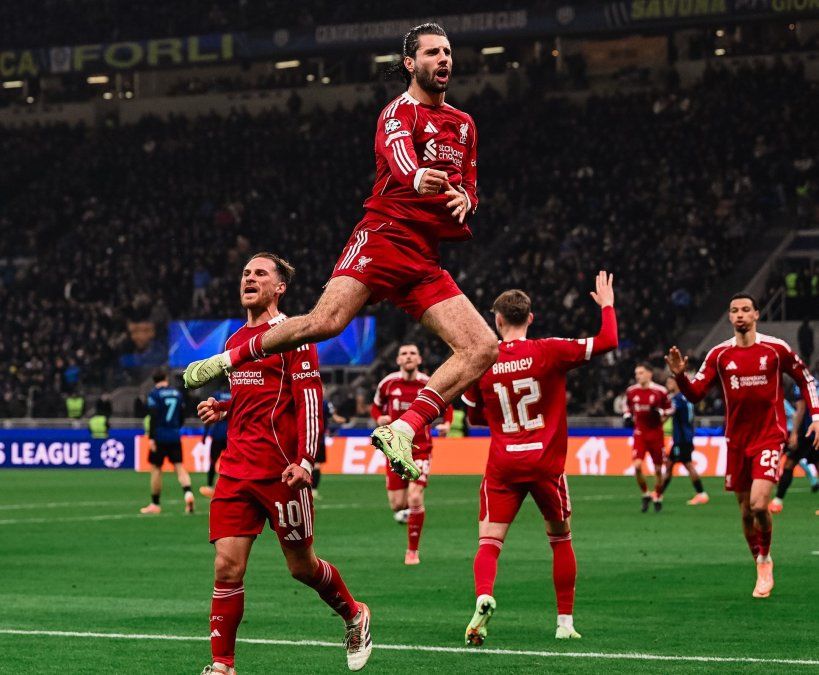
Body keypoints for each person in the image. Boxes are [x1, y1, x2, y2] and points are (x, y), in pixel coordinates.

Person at [183, 22, 497, 483]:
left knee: (482, 347)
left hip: (423, 258)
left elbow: (470, 184)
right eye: (432, 52)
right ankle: (225, 360)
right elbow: (399, 158)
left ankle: (402, 430)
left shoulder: (465, 124)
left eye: (447, 51)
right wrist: (417, 177)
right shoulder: (398, 112)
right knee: (324, 323)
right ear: (410, 64)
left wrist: (466, 200)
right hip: (384, 237)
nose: (444, 59)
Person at [196, 252, 371, 674]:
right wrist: (224, 407)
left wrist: (306, 460)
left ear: (280, 287)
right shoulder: (233, 342)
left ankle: (354, 614)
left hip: (281, 473)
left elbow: (309, 399)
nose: (249, 278)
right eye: (245, 273)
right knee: (226, 566)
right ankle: (222, 665)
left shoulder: (295, 334)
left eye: (260, 273)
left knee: (302, 567)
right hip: (236, 469)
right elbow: (253, 395)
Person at [461, 271, 618, 645]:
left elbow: (473, 417)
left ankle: (484, 595)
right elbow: (608, 341)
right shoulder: (550, 350)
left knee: (489, 542)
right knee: (561, 539)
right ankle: (564, 622)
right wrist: (608, 305)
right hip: (546, 463)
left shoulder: (483, 360)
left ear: (498, 320)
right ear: (530, 318)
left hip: (503, 464)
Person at [666, 292, 819, 598]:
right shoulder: (719, 355)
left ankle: (765, 559)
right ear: (729, 316)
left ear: (756, 315)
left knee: (759, 504)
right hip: (736, 441)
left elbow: (805, 378)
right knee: (746, 512)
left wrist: (816, 415)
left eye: (745, 309)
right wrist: (681, 377)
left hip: (769, 436)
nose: (740, 314)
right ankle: (758, 561)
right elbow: (696, 393)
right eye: (734, 310)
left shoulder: (775, 349)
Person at [371, 343, 448, 565]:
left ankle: (412, 552)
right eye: (404, 354)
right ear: (398, 360)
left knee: (415, 496)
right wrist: (379, 418)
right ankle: (412, 514)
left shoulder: (428, 384)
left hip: (421, 448)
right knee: (397, 504)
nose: (408, 357)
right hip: (395, 450)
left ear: (419, 359)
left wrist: (446, 423)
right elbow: (376, 406)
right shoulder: (388, 384)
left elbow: (447, 404)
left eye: (412, 353)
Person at [140, 369, 194, 515]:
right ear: (166, 378)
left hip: (159, 435)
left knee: (156, 469)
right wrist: (176, 428)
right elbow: (182, 415)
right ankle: (188, 494)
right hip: (174, 435)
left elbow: (153, 416)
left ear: (154, 380)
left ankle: (155, 504)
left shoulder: (154, 394)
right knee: (179, 467)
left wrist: (152, 437)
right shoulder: (177, 393)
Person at [623, 364, 673, 512]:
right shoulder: (631, 391)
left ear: (649, 374)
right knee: (637, 466)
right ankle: (645, 493)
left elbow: (670, 409)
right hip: (640, 433)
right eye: (636, 373)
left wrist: (661, 413)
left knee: (658, 469)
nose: (638, 376)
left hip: (656, 434)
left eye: (641, 373)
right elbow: (628, 408)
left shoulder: (660, 391)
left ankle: (657, 495)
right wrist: (627, 416)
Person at [655, 376, 709, 505]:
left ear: (677, 383)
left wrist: (656, 417)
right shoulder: (686, 397)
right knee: (670, 464)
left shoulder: (677, 399)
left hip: (682, 438)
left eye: (670, 382)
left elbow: (668, 413)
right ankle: (659, 493)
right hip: (686, 436)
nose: (668, 384)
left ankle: (701, 493)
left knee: (687, 464)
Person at [769, 382, 819, 512]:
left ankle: (777, 500)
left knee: (789, 463)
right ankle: (813, 481)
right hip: (815, 431)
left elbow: (800, 410)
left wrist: (794, 433)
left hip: (807, 432)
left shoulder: (801, 384)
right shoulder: (815, 383)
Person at [312, 394, 347, 501]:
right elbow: (336, 418)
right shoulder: (325, 403)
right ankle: (313, 490)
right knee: (316, 465)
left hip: (304, 438)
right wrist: (346, 419)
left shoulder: (304, 400)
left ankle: (302, 491)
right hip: (319, 439)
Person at [200, 389, 230, 499]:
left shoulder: (217, 394)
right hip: (230, 435)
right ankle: (228, 487)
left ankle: (209, 486)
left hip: (217, 435)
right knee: (231, 463)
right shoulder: (234, 394)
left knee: (213, 461)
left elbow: (209, 414)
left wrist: (205, 435)